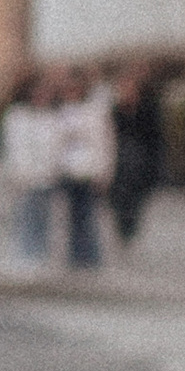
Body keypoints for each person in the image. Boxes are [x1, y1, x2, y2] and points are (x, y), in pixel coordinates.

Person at [0, 70, 60, 268]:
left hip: (46, 175)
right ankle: (25, 257)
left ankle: (40, 256)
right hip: (25, 177)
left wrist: (53, 168)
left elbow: (54, 146)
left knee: (43, 219)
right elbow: (13, 147)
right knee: (25, 217)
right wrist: (18, 173)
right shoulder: (17, 117)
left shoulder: (50, 117)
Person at [58, 66, 115, 268]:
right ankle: (74, 256)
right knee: (71, 217)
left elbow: (104, 143)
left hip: (88, 170)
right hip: (68, 170)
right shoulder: (62, 111)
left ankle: (90, 256)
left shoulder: (93, 112)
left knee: (88, 216)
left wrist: (104, 171)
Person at [109, 62, 164, 249]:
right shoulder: (116, 111)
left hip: (140, 162)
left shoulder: (148, 109)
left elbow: (154, 138)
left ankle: (130, 232)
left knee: (136, 202)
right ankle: (123, 232)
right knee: (120, 201)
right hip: (120, 163)